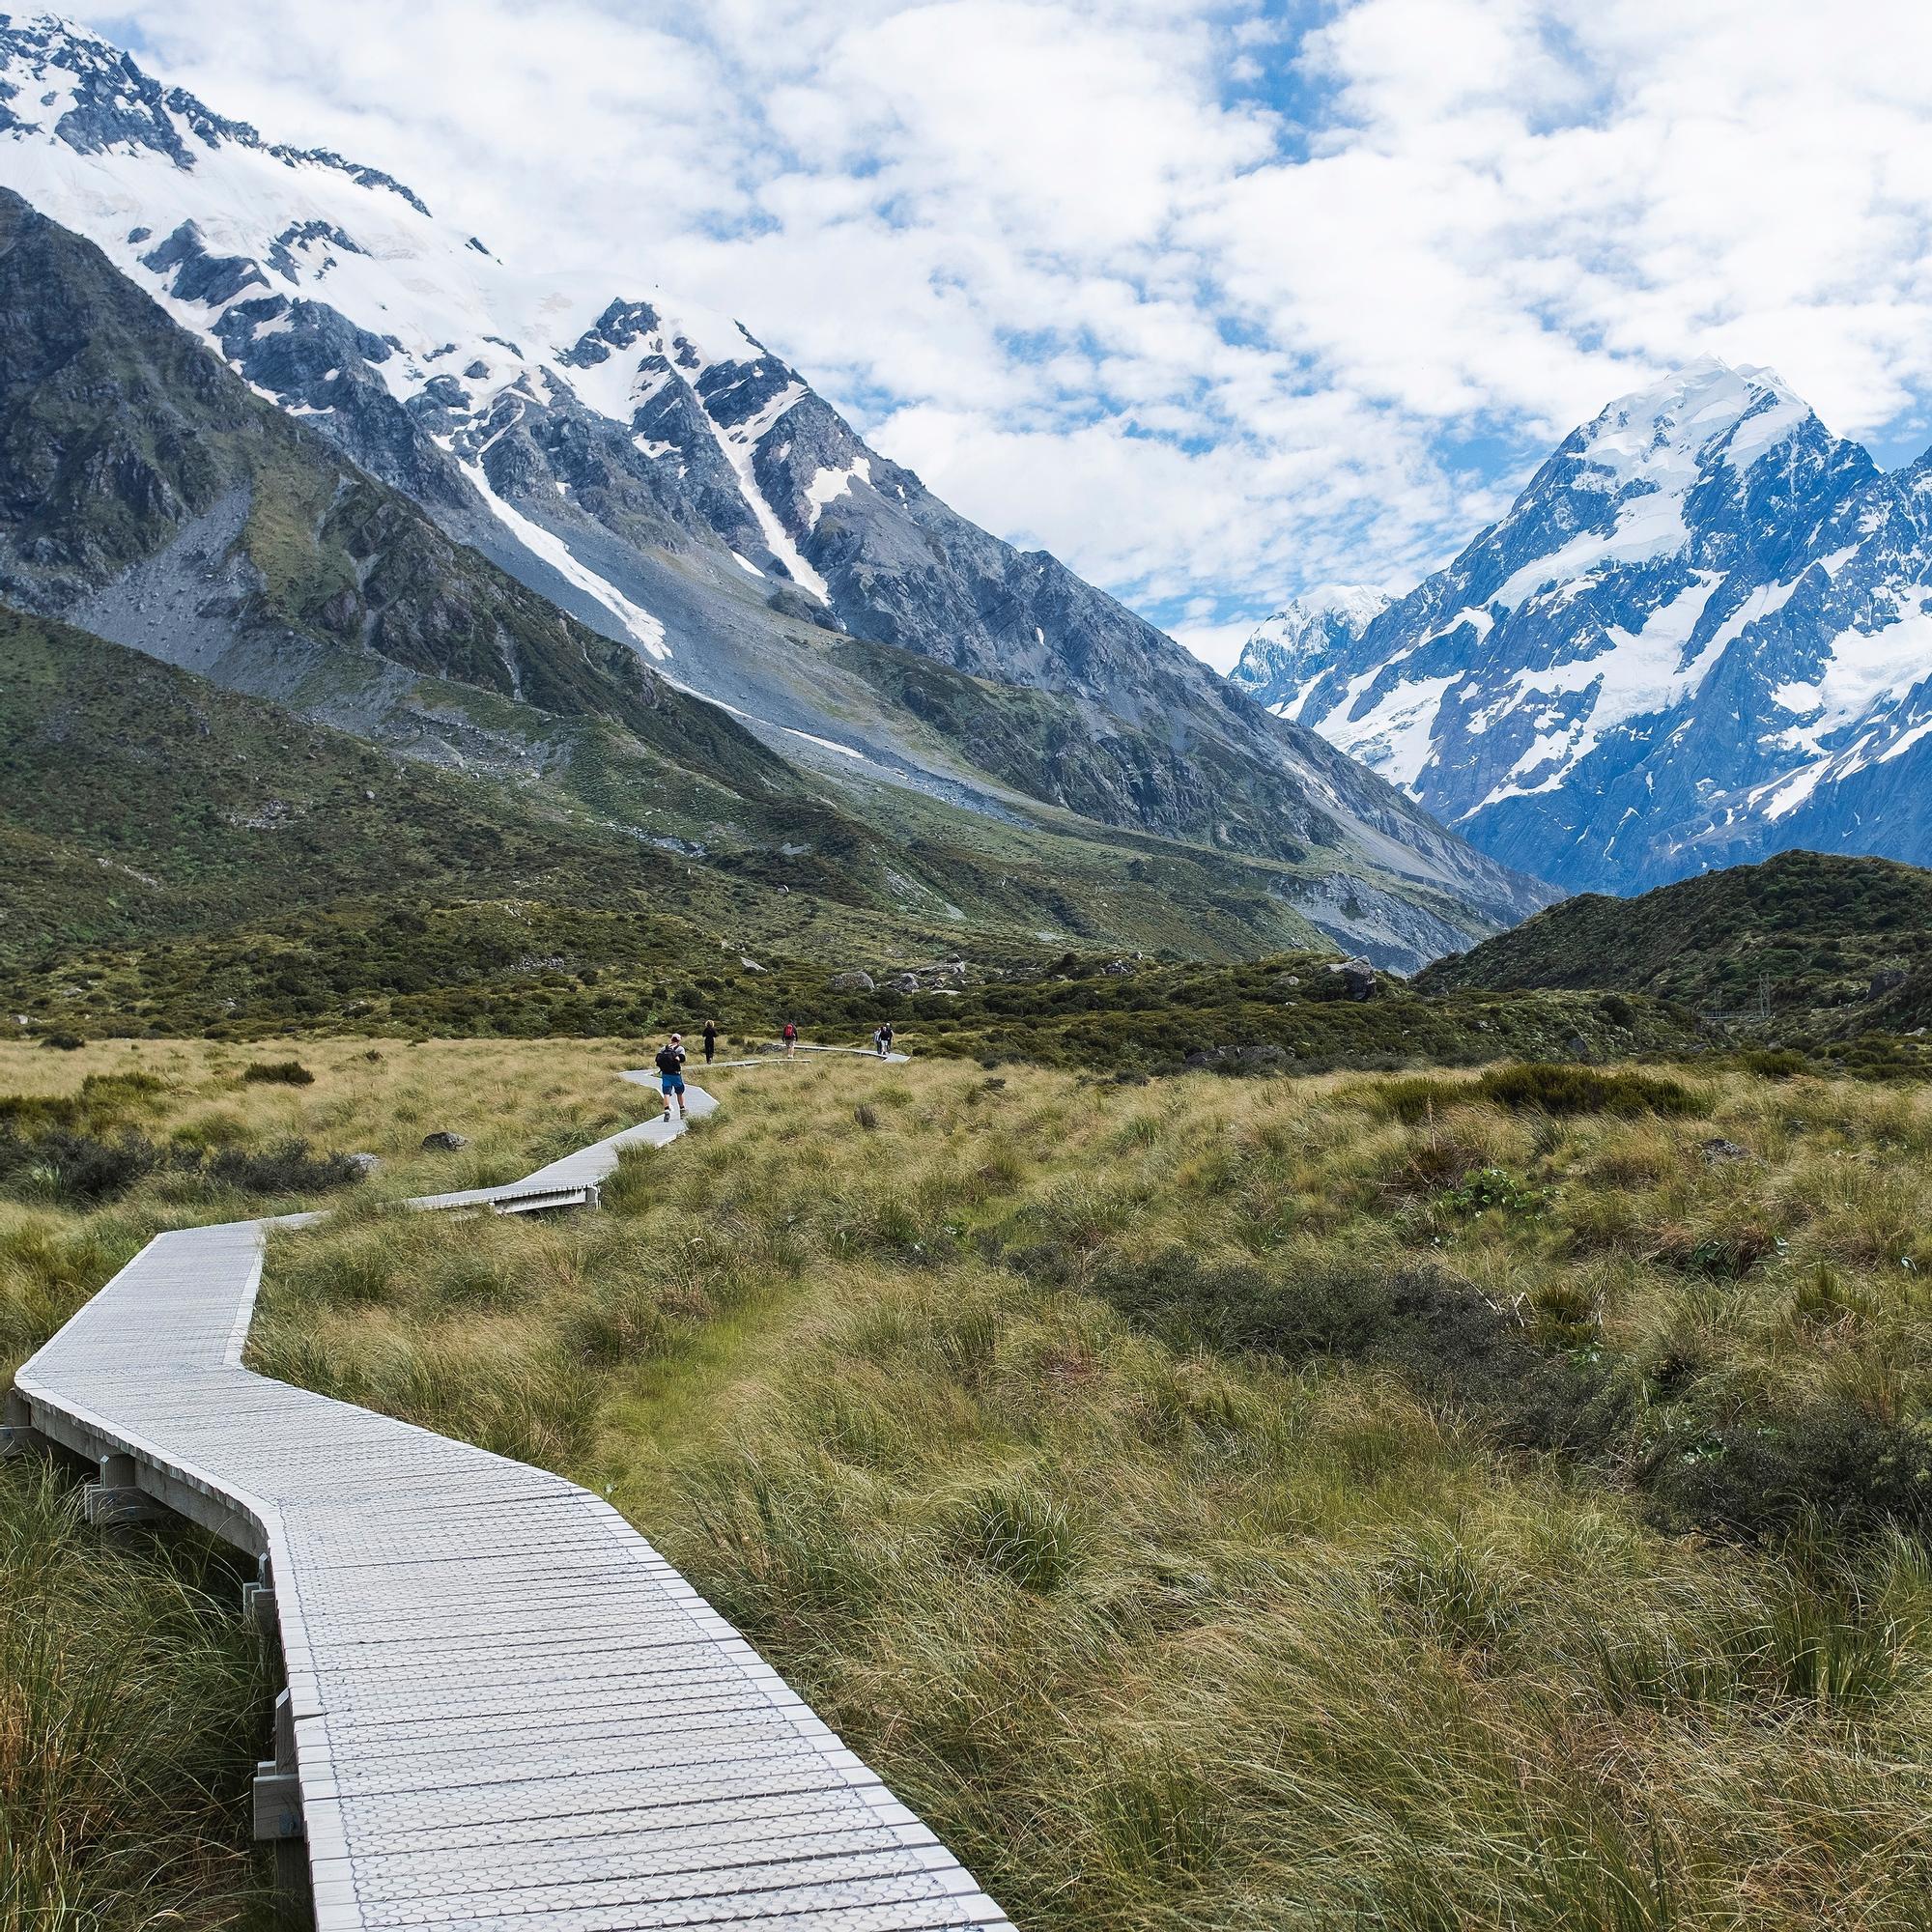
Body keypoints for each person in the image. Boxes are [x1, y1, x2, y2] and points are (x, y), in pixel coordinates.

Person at [654, 1033, 687, 1123]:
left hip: (665, 1074)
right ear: (679, 1040)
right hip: (676, 1074)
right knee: (679, 1092)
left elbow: (657, 1059)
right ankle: (682, 1110)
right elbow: (682, 1059)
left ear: (671, 1039)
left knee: (666, 1093)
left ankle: (667, 1110)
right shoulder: (680, 1048)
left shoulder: (663, 1048)